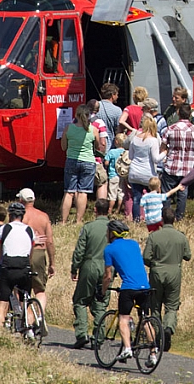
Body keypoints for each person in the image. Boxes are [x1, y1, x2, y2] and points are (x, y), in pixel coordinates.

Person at [102, 219, 154, 365]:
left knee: (123, 318)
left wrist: (102, 291)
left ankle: (127, 348)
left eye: (107, 232)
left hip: (129, 288)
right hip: (145, 286)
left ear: (112, 234)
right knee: (145, 319)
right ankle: (153, 352)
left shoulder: (109, 249)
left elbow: (107, 276)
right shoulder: (133, 244)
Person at [142, 206, 191, 351]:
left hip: (157, 271)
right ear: (174, 219)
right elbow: (188, 256)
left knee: (155, 305)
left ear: (162, 220)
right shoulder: (181, 237)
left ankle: (157, 335)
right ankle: (168, 327)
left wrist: (154, 264)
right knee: (171, 305)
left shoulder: (154, 236)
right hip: (174, 272)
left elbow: (145, 257)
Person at [0, 202, 36, 335]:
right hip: (24, 265)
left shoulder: (4, 229)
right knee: (25, 300)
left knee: (2, 302)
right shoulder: (29, 230)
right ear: (22, 216)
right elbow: (30, 252)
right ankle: (30, 328)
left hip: (8, 264)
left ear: (10, 215)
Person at [70, 198, 110, 349]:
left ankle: (81, 333)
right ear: (109, 210)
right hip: (107, 266)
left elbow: (80, 250)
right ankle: (98, 338)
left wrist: (75, 268)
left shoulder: (88, 227)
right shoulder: (113, 228)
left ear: (95, 210)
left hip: (90, 265)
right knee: (100, 303)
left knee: (80, 301)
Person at [159, 103, 194, 221]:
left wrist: (163, 159)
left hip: (171, 165)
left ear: (178, 113)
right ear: (190, 115)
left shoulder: (170, 129)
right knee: (182, 193)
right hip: (187, 167)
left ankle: (166, 216)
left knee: (166, 193)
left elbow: (163, 147)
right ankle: (179, 217)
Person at [61, 104, 101, 224]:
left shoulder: (68, 128)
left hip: (72, 160)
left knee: (69, 191)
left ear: (76, 115)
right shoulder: (93, 129)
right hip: (88, 161)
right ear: (89, 116)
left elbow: (63, 147)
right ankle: (78, 220)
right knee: (83, 192)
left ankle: (63, 221)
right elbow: (98, 147)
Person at [18, 187, 55, 311]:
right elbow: (49, 241)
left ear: (21, 200)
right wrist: (52, 263)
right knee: (40, 289)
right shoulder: (43, 216)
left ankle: (24, 315)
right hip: (39, 253)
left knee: (21, 287)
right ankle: (40, 315)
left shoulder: (21, 216)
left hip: (23, 253)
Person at [125, 115, 165, 221]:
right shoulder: (153, 140)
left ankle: (136, 220)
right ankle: (153, 218)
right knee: (153, 197)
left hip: (134, 172)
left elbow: (130, 156)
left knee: (136, 198)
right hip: (148, 173)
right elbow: (156, 159)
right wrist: (165, 153)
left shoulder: (134, 139)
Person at [104, 133, 126, 216]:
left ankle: (109, 210)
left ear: (116, 141)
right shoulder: (125, 152)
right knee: (121, 193)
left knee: (112, 194)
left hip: (113, 175)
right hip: (123, 175)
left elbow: (106, 162)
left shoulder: (112, 152)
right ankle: (118, 209)